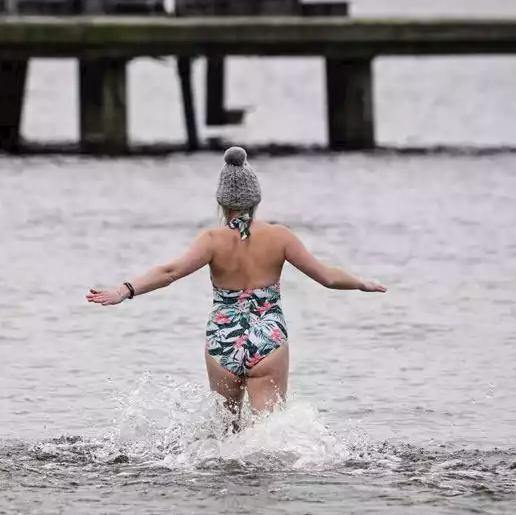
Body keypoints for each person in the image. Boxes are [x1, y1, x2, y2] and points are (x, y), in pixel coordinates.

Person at [86, 146, 386, 424]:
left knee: (225, 435)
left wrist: (124, 290)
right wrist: (361, 283)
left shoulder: (212, 241)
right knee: (269, 433)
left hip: (223, 339)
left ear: (221, 201)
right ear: (256, 198)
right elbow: (327, 276)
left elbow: (170, 272)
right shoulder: (280, 237)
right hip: (267, 337)